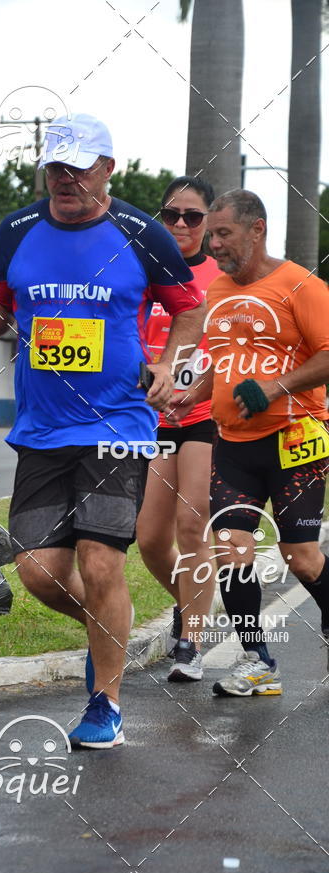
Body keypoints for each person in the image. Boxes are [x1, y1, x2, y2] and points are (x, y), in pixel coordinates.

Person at [0, 113, 206, 748]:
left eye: (79, 168)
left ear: (107, 170)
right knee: (38, 570)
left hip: (117, 421)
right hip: (41, 427)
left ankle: (106, 703)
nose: (65, 180)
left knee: (100, 560)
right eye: (55, 167)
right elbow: (0, 320)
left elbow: (189, 308)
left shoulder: (142, 233)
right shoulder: (15, 231)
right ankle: (108, 632)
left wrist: (172, 362)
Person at [169, 189, 329, 696]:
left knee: (300, 555)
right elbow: (221, 360)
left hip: (296, 439)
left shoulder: (299, 285)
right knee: (231, 549)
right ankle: (257, 659)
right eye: (210, 235)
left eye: (223, 234)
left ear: (257, 230)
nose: (212, 244)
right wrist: (188, 394)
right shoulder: (215, 292)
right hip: (233, 444)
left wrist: (276, 388)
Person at [137, 176, 221, 682]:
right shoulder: (146, 270)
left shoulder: (222, 275)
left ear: (209, 221)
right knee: (149, 539)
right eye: (172, 216)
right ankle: (192, 609)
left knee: (193, 527)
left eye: (193, 216)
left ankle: (191, 639)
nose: (182, 225)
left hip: (206, 417)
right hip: (156, 417)